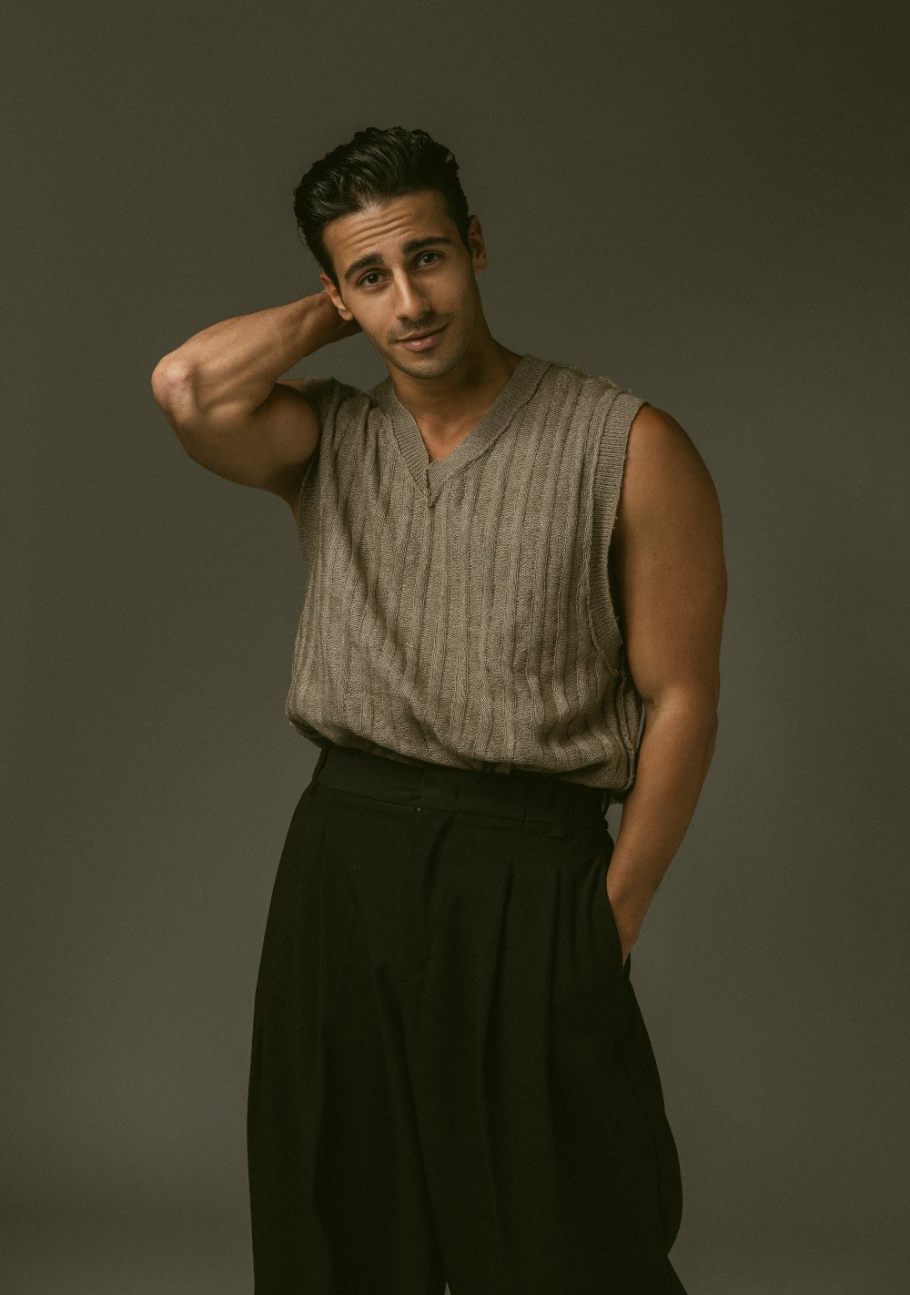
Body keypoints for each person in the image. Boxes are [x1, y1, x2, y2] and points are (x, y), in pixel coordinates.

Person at [151, 125, 726, 1295]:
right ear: (337, 294)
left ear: (475, 245)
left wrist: (611, 916)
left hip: (529, 866)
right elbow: (187, 386)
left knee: (566, 1233)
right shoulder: (327, 437)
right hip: (344, 860)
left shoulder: (624, 444)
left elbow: (681, 698)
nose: (409, 301)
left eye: (426, 258)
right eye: (370, 277)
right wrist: (340, 309)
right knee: (339, 1225)